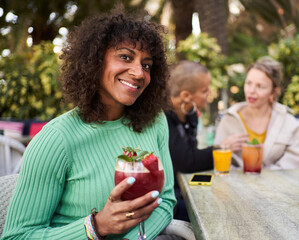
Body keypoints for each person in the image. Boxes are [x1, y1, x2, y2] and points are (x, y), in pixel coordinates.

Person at [1, 8, 176, 240]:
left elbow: (166, 200)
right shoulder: (56, 140)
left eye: (147, 65)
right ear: (94, 61)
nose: (138, 72)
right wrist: (95, 227)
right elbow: (17, 236)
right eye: (125, 57)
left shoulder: (154, 121)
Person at [165, 60, 244, 220]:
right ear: (186, 95)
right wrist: (222, 148)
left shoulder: (190, 114)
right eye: (204, 90)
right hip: (171, 202)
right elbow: (186, 163)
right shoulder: (164, 119)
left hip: (186, 191)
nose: (209, 93)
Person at [214, 56, 299, 169]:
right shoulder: (229, 120)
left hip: (275, 186)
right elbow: (217, 165)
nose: (251, 91)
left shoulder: (288, 123)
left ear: (273, 91)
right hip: (236, 185)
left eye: (260, 86)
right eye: (248, 83)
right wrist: (222, 147)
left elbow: (293, 167)